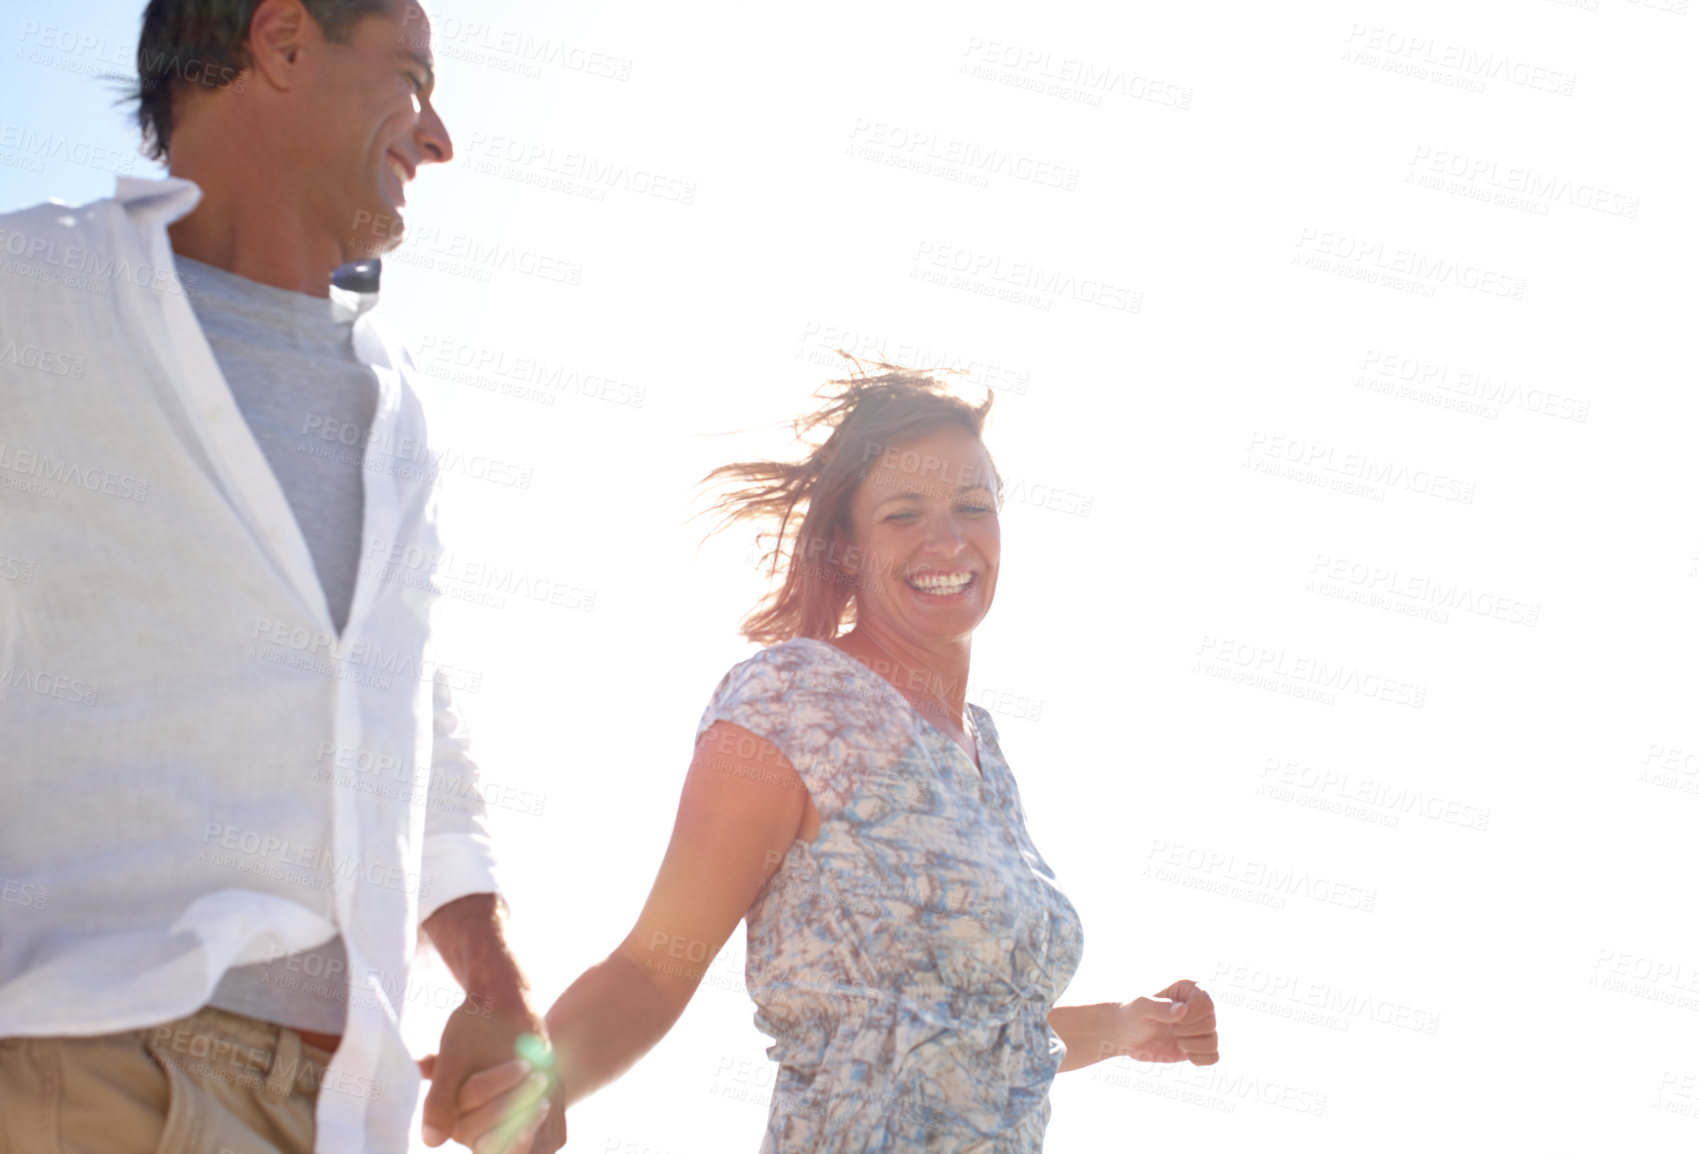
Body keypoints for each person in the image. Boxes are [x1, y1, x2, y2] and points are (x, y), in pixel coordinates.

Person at [0, 2, 562, 1152]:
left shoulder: (393, 397)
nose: (439, 135)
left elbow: (403, 711)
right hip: (90, 1068)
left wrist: (495, 988)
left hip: (341, 1103)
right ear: (284, 40)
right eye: (410, 76)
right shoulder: (31, 286)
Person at [430, 369, 1219, 1152]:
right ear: (846, 548)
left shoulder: (986, 753)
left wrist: (1130, 1025)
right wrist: (543, 1081)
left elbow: (986, 1036)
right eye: (903, 514)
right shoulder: (795, 699)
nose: (947, 540)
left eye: (972, 508)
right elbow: (652, 968)